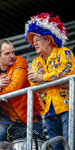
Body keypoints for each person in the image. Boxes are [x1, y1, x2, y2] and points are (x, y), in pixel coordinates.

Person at [0, 39, 43, 147]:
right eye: (7, 53)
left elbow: (15, 88)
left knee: (36, 145)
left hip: (30, 117)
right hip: (6, 119)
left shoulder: (20, 62)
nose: (12, 56)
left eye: (13, 52)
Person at [25, 13, 75, 150]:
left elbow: (67, 72)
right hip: (48, 111)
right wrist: (57, 81)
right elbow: (33, 83)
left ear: (48, 39)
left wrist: (42, 78)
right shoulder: (36, 61)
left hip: (68, 106)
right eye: (33, 41)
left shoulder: (65, 53)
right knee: (56, 147)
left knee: (70, 142)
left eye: (37, 40)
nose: (33, 43)